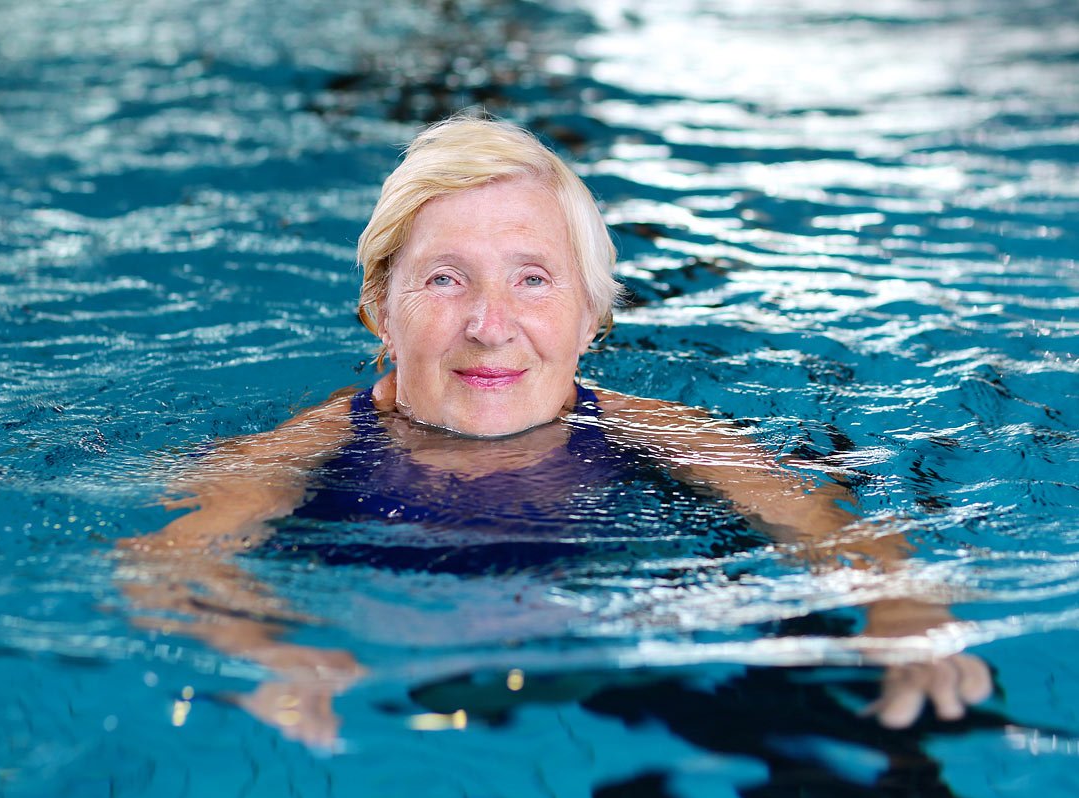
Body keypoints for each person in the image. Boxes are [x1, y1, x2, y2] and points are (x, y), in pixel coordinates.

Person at [119, 115, 991, 749]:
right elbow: (164, 566)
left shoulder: (668, 434)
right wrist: (273, 654)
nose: (491, 326)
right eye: (445, 280)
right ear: (378, 312)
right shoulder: (302, 452)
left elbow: (831, 528)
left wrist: (908, 612)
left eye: (533, 279)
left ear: (591, 318)